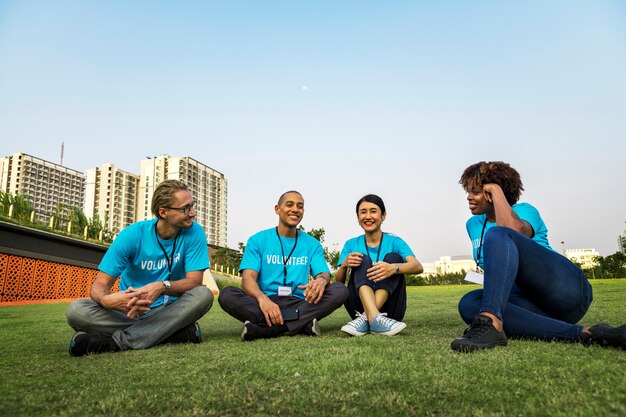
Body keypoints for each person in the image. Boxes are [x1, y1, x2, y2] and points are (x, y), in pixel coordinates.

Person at [451, 161, 626, 352]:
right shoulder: (473, 224)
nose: (469, 197)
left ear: (492, 193)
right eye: (468, 191)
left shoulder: (525, 210)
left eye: (475, 191)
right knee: (469, 303)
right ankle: (586, 333)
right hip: (532, 305)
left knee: (498, 234)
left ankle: (491, 323)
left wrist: (495, 189)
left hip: (565, 290)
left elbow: (511, 230)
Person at [66, 180, 214, 356]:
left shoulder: (194, 232)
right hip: (129, 311)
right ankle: (172, 333)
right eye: (185, 208)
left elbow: (194, 282)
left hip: (169, 311)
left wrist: (161, 286)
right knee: (76, 310)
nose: (192, 213)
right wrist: (107, 300)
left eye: (192, 206)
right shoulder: (132, 235)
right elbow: (99, 285)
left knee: (203, 295)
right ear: (163, 212)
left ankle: (113, 343)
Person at [218, 191, 348, 341]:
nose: (295, 209)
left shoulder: (312, 244)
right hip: (265, 302)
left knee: (340, 290)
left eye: (300, 206)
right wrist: (262, 299)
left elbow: (323, 273)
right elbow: (248, 279)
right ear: (277, 209)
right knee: (227, 294)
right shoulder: (258, 240)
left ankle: (266, 330)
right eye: (289, 204)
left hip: (300, 301)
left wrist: (322, 280)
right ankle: (301, 323)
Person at [336, 194, 423, 336]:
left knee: (393, 258)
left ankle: (368, 317)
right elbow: (339, 283)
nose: (368, 216)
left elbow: (417, 266)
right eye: (363, 212)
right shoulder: (351, 244)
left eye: (373, 211)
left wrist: (393, 268)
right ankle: (373, 317)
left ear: (383, 216)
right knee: (361, 259)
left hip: (391, 309)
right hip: (357, 306)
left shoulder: (395, 241)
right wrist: (344, 265)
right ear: (358, 218)